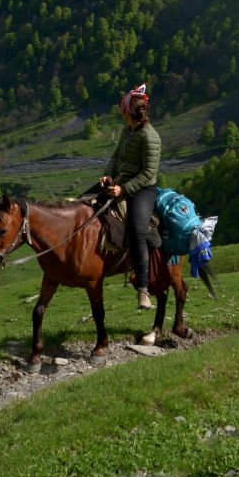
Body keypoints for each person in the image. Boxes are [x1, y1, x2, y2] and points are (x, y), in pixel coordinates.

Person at [100, 83, 161, 309]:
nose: (121, 115)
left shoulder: (150, 137)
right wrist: (107, 176)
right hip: (120, 183)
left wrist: (123, 190)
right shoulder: (128, 131)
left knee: (136, 228)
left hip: (142, 190)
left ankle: (143, 290)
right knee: (84, 202)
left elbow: (148, 174)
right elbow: (117, 157)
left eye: (123, 111)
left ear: (130, 112)